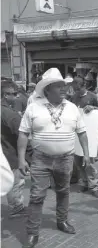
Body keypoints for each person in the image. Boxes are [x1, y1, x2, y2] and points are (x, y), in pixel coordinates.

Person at [18, 68, 90, 248]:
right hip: (41, 159)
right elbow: (23, 134)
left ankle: (62, 220)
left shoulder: (73, 108)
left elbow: (82, 133)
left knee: (63, 191)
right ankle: (33, 232)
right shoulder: (34, 107)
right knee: (36, 196)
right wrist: (21, 159)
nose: (64, 89)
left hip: (66, 158)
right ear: (48, 89)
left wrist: (87, 154)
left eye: (64, 85)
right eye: (59, 86)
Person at [70, 75, 98, 198]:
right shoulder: (73, 98)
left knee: (89, 161)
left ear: (83, 86)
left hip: (90, 134)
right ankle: (84, 182)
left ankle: (94, 186)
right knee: (78, 161)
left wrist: (94, 108)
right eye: (74, 90)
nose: (76, 92)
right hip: (77, 134)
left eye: (78, 89)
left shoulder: (93, 97)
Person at [1, 80, 30, 218]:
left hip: (4, 151)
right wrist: (28, 155)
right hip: (10, 152)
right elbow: (22, 134)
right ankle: (16, 207)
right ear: (5, 95)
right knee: (16, 181)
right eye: (14, 94)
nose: (17, 96)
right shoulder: (9, 114)